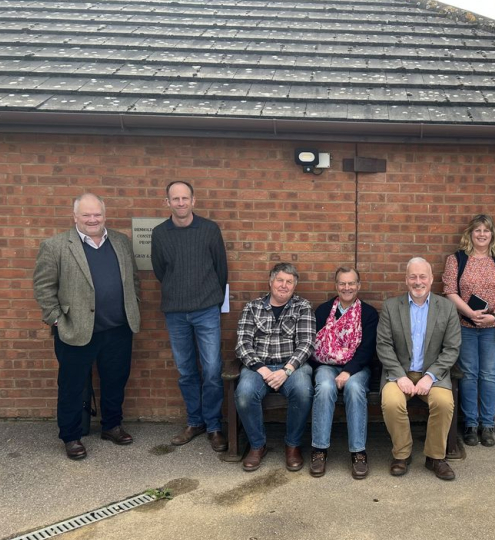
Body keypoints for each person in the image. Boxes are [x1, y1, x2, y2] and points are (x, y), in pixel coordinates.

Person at [33, 193, 141, 460]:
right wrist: (56, 318)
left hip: (117, 328)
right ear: (75, 217)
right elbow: (44, 287)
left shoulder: (121, 242)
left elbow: (133, 280)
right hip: (75, 329)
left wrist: (133, 306)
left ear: (105, 215)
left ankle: (112, 426)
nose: (93, 219)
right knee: (71, 385)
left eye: (97, 214)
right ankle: (71, 437)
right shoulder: (56, 245)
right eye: (86, 215)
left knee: (115, 380)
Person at [151, 181, 228, 452]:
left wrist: (210, 297)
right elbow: (160, 270)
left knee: (211, 370)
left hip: (206, 309)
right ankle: (195, 422)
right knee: (186, 371)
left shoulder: (209, 230)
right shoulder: (160, 234)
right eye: (175, 198)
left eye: (185, 198)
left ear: (193, 201)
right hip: (175, 312)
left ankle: (215, 425)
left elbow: (221, 270)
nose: (181, 203)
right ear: (167, 202)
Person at [377, 257, 461, 481]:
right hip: (399, 373)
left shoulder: (446, 308)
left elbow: (452, 348)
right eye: (413, 276)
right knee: (392, 402)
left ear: (431, 279)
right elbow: (383, 345)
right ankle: (402, 454)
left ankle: (435, 457)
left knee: (444, 403)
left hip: (433, 373)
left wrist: (430, 376)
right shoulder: (391, 306)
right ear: (406, 280)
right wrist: (399, 375)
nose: (418, 281)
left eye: (422, 276)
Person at [234, 263, 316, 472]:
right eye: (280, 280)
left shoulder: (303, 306)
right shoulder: (253, 307)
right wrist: (262, 369)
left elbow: (307, 344)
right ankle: (257, 445)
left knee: (303, 391)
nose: (284, 285)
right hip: (258, 367)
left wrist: (286, 370)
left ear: (294, 286)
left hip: (292, 367)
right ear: (270, 282)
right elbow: (243, 344)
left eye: (289, 282)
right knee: (244, 394)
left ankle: (292, 445)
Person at [443, 214, 495, 447]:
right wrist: (470, 313)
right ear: (470, 234)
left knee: (489, 375)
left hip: (492, 328)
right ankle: (471, 425)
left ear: (492, 234)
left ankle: (488, 425)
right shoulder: (457, 259)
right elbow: (450, 291)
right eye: (477, 230)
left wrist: (494, 315)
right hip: (465, 326)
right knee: (469, 375)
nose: (482, 234)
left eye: (486, 230)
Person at [308, 267, 378, 479]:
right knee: (325, 386)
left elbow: (367, 350)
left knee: (355, 388)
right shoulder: (323, 311)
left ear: (358, 285)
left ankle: (358, 452)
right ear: (336, 285)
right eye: (342, 283)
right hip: (326, 365)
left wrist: (347, 372)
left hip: (357, 367)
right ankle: (319, 450)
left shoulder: (368, 314)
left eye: (351, 283)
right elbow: (314, 346)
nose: (346, 288)